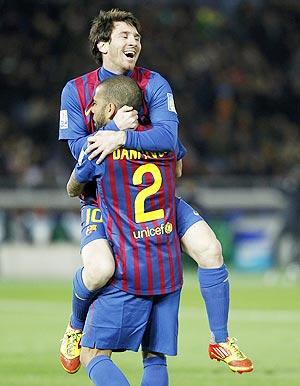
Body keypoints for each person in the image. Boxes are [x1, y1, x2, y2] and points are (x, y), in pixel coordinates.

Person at [59, 8, 253, 375]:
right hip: (103, 200)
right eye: (124, 36)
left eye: (137, 36)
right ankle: (74, 325)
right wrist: (113, 126)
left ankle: (221, 338)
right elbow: (77, 153)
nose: (134, 42)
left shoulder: (155, 83)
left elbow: (168, 137)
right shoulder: (76, 90)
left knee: (210, 249)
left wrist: (123, 136)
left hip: (154, 196)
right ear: (102, 44)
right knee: (100, 269)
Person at [73, 74, 183, 386]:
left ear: (110, 110)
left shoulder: (101, 149)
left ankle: (74, 322)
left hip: (130, 271)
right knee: (154, 357)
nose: (89, 109)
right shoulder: (162, 143)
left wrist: (108, 135)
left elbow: (73, 187)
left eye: (94, 103)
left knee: (92, 357)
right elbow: (175, 157)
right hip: (168, 272)